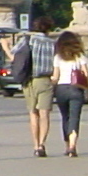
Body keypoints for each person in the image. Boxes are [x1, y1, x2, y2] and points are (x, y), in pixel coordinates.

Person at [18, 17, 57, 157]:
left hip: (29, 80)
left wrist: (4, 45)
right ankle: (42, 145)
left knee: (33, 113)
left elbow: (14, 56)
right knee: (44, 114)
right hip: (45, 80)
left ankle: (35, 145)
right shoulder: (53, 44)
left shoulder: (28, 41)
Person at [51, 31, 88, 157]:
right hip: (76, 89)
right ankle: (73, 146)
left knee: (65, 117)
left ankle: (67, 145)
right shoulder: (80, 57)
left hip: (61, 89)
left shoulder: (58, 58)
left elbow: (55, 77)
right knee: (75, 117)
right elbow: (86, 74)